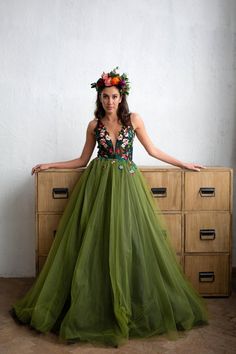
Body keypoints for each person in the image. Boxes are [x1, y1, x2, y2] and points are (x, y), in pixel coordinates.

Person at [10, 67, 208, 347]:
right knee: (96, 242)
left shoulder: (134, 120)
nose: (110, 101)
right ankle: (96, 301)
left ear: (121, 96)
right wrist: (50, 164)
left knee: (128, 242)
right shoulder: (94, 125)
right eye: (105, 97)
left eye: (114, 96)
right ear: (99, 98)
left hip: (127, 187)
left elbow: (153, 150)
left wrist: (183, 163)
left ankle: (127, 299)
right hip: (98, 186)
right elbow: (81, 160)